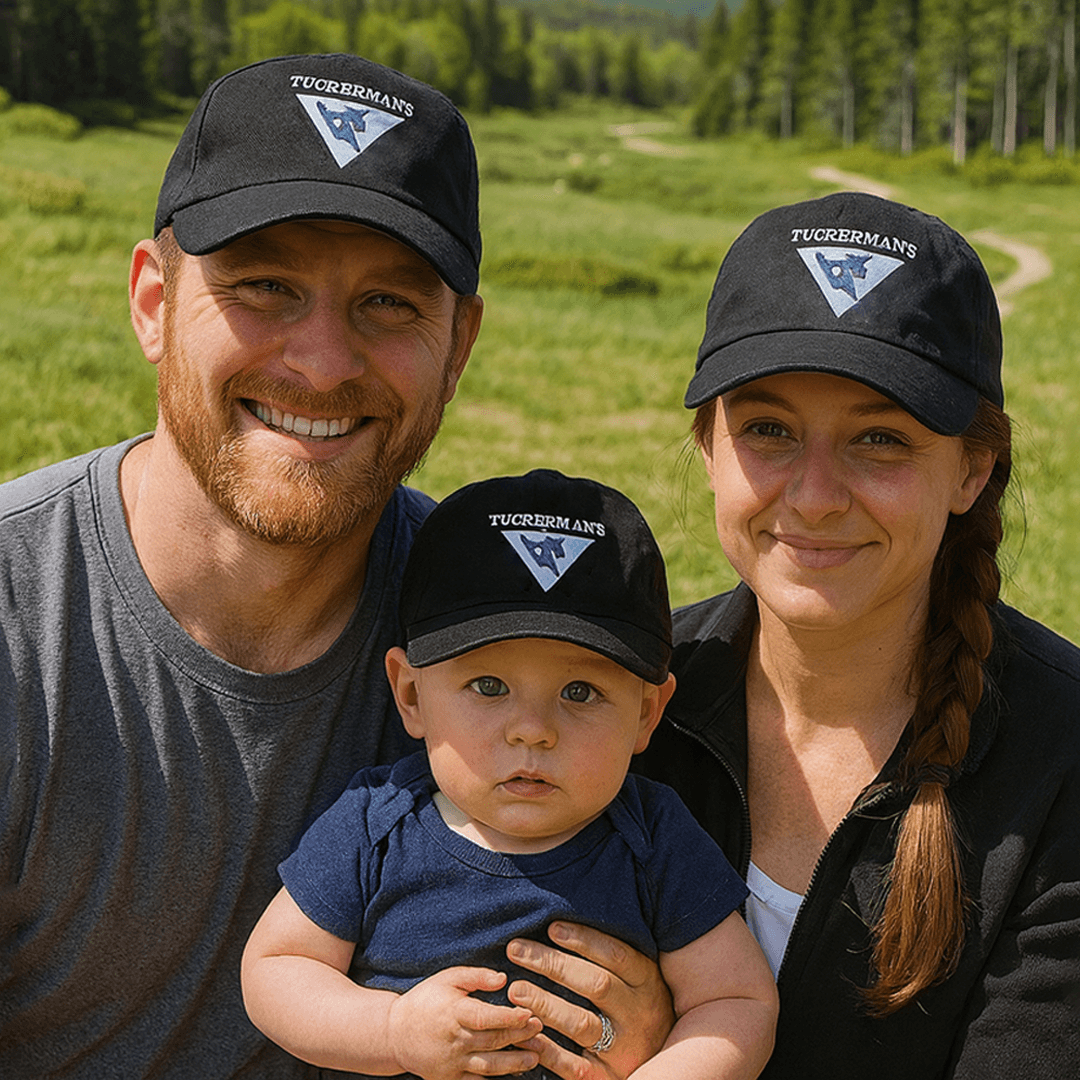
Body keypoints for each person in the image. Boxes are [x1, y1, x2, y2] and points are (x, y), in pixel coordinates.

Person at [0, 55, 668, 1079]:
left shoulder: (512, 631)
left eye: (390, 305)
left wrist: (638, 1020)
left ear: (459, 348)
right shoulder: (17, 616)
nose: (321, 362)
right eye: (264, 286)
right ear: (151, 302)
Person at [634, 191, 1080, 1078]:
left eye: (880, 439)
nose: (814, 496)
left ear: (971, 471)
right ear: (708, 446)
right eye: (768, 430)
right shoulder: (616, 702)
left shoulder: (1061, 757)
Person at [241, 469, 778, 1080]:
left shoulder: (653, 840)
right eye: (488, 686)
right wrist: (390, 1031)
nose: (532, 729)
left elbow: (737, 1002)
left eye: (580, 691)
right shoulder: (376, 824)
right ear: (411, 695)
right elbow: (275, 966)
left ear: (646, 714)